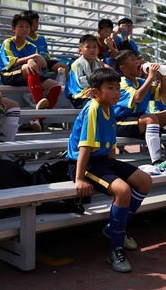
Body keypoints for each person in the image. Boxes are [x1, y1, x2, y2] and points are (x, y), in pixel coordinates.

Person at [67, 68, 152, 273]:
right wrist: (79, 178)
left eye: (117, 88)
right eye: (110, 88)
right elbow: (84, 147)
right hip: (84, 163)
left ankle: (114, 230)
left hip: (103, 161)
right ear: (96, 92)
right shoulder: (93, 108)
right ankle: (116, 249)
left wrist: (114, 166)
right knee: (123, 191)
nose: (116, 92)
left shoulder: (110, 108)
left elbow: (110, 143)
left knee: (144, 181)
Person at [112, 50, 166, 168]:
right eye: (133, 60)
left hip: (139, 120)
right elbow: (137, 98)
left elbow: (162, 92)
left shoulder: (141, 82)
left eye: (137, 59)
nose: (138, 62)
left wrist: (161, 75)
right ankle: (156, 162)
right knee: (151, 118)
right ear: (123, 68)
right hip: (120, 122)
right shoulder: (121, 83)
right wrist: (150, 77)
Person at [0, 13, 61, 131]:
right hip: (8, 75)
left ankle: (37, 118)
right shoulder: (8, 43)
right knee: (29, 67)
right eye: (21, 26)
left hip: (28, 75)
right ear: (13, 28)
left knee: (56, 87)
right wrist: (33, 58)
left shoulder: (31, 46)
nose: (25, 29)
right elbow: (13, 63)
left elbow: (35, 64)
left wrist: (32, 59)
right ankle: (38, 102)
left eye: (27, 26)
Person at [22, 10, 71, 76]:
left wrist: (45, 61)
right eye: (32, 22)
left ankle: (60, 83)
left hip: (45, 62)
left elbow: (47, 55)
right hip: (32, 63)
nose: (35, 25)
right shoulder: (24, 38)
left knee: (65, 67)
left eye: (36, 22)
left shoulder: (41, 38)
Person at [65, 34, 103, 109]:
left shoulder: (98, 64)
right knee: (94, 106)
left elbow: (102, 80)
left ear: (98, 50)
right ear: (80, 50)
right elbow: (82, 83)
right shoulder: (77, 64)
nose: (92, 49)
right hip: (79, 95)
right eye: (88, 47)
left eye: (94, 47)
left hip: (94, 93)